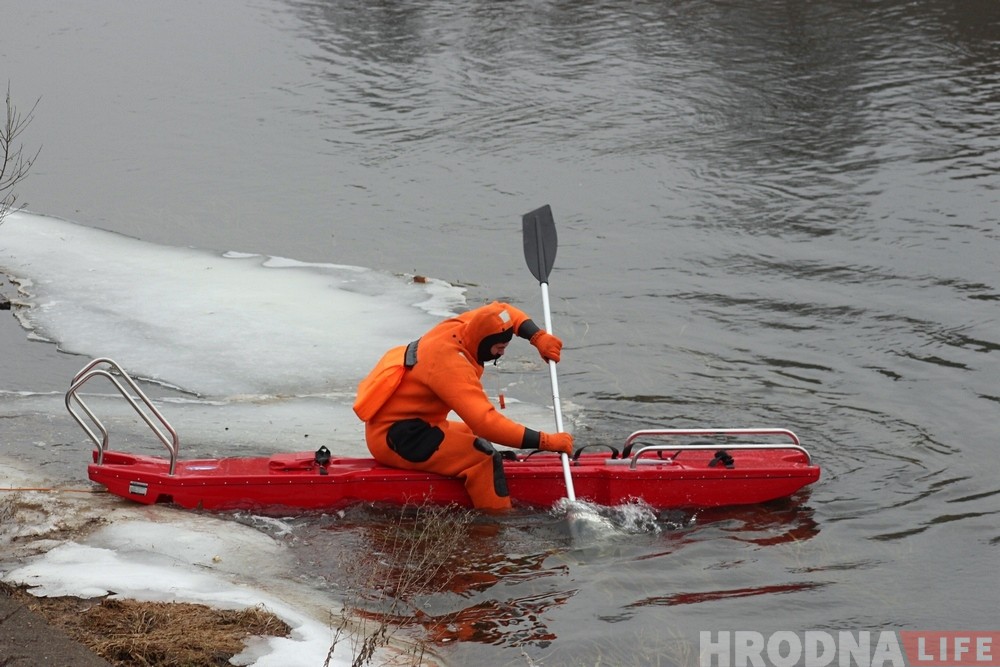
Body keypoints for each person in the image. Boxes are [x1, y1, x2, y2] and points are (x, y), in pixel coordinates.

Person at [353, 301, 574, 511]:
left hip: (419, 423)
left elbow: (504, 312)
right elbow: (486, 423)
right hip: (398, 436)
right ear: (485, 343)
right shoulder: (449, 363)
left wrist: (537, 337)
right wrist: (546, 441)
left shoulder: (466, 327)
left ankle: (484, 490)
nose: (502, 353)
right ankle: (495, 524)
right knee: (482, 457)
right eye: (499, 347)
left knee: (473, 438)